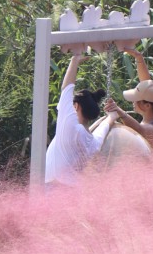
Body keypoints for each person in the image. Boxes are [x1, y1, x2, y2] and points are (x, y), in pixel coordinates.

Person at [45, 53, 118, 186]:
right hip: (74, 192)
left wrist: (74, 61)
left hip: (54, 189)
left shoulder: (69, 126)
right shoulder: (92, 142)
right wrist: (111, 117)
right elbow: (103, 129)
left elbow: (66, 88)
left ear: (76, 106)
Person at [103, 48, 153, 150]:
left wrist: (119, 112)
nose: (133, 102)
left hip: (149, 166)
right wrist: (139, 57)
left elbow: (140, 129)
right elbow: (147, 84)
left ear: (147, 105)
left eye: (136, 99)